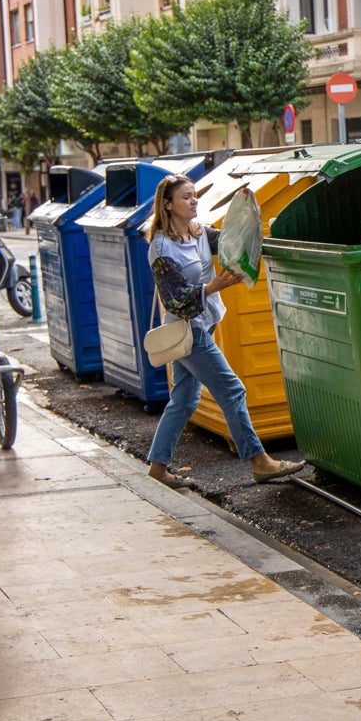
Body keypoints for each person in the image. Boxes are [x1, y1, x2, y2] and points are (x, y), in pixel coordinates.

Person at [142, 174, 304, 489]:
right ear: (167, 204)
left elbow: (234, 240)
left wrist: (272, 243)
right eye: (186, 197)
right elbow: (177, 301)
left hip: (205, 323)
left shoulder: (198, 232)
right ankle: (260, 461)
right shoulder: (161, 249)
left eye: (194, 195)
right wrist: (213, 285)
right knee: (233, 390)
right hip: (188, 332)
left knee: (184, 401)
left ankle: (158, 467)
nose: (194, 201)